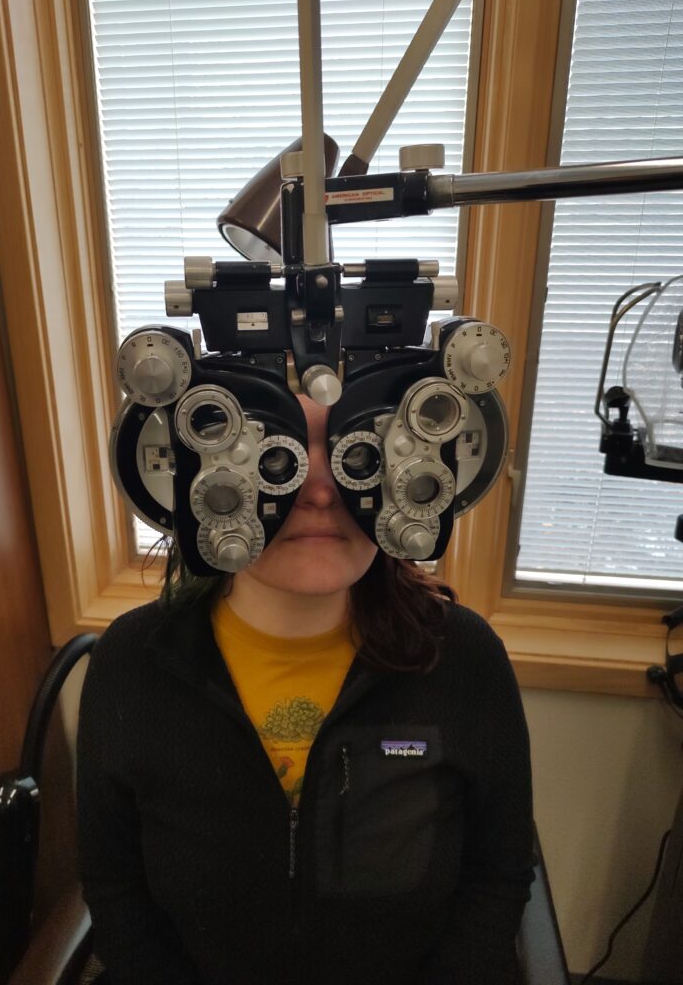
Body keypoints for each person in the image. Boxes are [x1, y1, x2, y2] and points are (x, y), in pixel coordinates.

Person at [77, 395, 535, 985]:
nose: (320, 490)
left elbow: (497, 876)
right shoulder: (132, 662)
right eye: (275, 451)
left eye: (357, 452)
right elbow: (115, 886)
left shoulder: (463, 659)